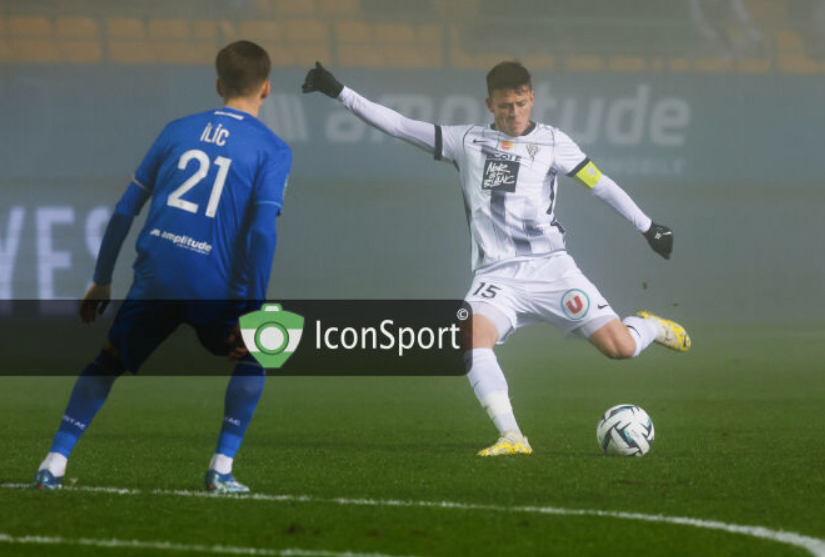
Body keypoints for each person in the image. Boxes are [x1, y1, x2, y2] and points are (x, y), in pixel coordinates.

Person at [302, 61, 690, 456]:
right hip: (497, 276)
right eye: (505, 106)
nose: (514, 113)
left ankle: (649, 326)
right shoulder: (465, 141)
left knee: (621, 348)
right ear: (490, 104)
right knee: (468, 338)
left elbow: (600, 184)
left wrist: (648, 227)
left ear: (532, 98)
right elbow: (399, 125)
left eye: (521, 104)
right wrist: (340, 92)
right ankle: (512, 436)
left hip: (552, 268)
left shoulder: (553, 142)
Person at [34, 40, 292, 491]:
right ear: (266, 88)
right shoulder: (273, 149)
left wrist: (101, 279)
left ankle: (53, 463)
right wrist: (254, 310)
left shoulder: (177, 130)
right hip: (216, 287)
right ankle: (221, 469)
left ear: (219, 84)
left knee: (109, 359)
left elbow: (124, 210)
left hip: (158, 276)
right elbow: (261, 234)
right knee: (269, 343)